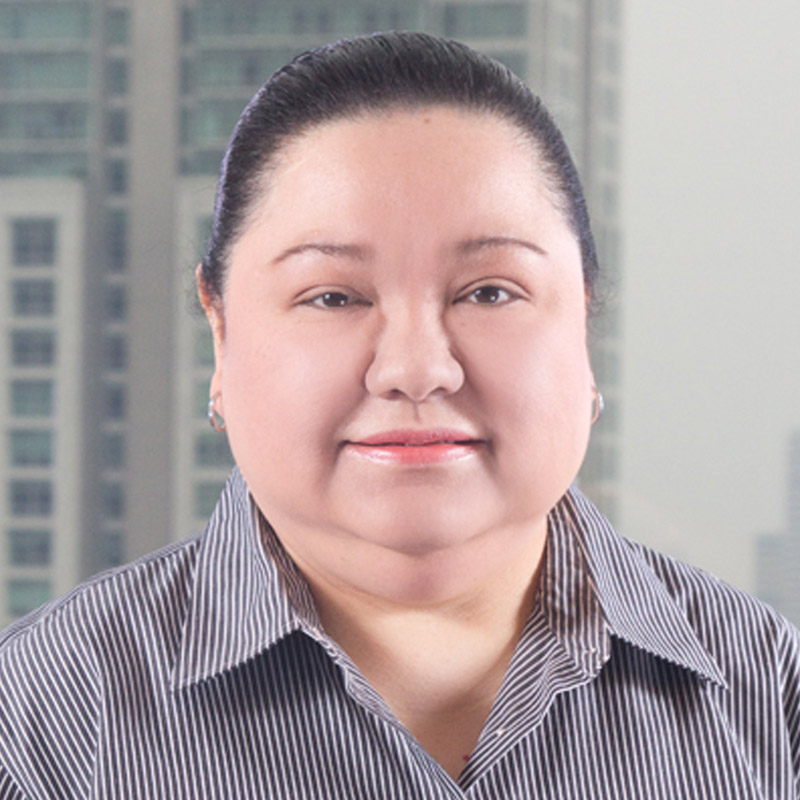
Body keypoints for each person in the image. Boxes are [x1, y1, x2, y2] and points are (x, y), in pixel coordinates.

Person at [0, 31, 798, 800]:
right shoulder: (41, 718)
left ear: (583, 320)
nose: (416, 369)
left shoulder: (769, 694)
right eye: (333, 297)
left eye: (490, 292)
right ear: (220, 327)